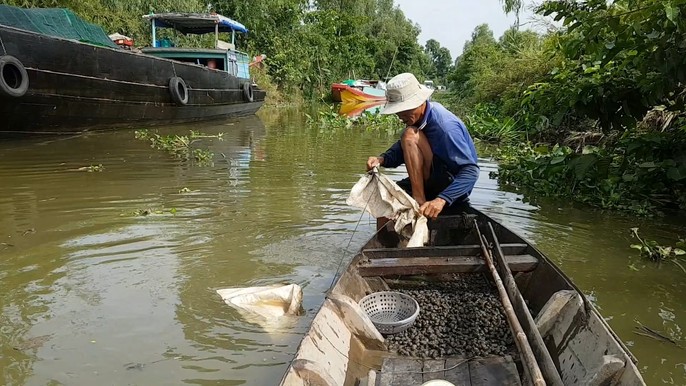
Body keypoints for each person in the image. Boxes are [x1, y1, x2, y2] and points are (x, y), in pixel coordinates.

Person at [366, 72, 479, 226]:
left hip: (449, 186)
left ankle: (419, 199)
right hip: (432, 178)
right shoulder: (419, 120)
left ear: (419, 102)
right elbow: (403, 149)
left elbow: (471, 171)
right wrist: (382, 159)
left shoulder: (445, 128)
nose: (400, 116)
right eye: (398, 111)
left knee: (409, 134)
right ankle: (387, 244)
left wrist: (442, 199)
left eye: (404, 110)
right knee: (386, 205)